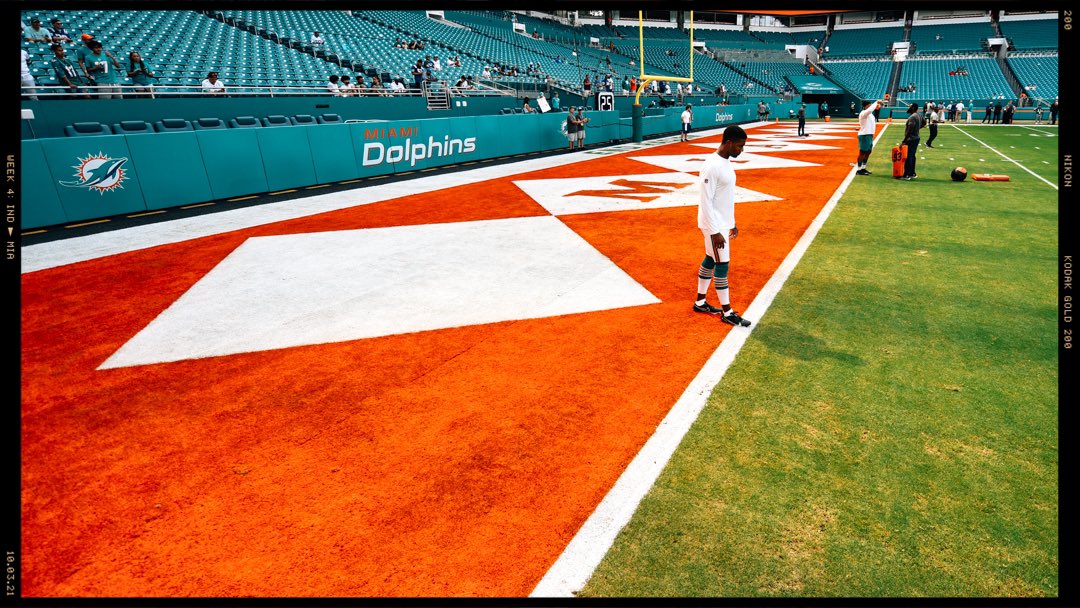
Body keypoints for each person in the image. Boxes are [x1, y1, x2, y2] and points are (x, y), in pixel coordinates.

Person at [694, 125, 752, 327]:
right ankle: (727, 312)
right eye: (739, 146)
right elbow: (706, 200)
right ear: (728, 143)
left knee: (711, 259)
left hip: (720, 223)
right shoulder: (712, 165)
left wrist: (731, 223)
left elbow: (724, 198)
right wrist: (715, 231)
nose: (741, 150)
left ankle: (700, 301)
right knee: (722, 264)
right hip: (713, 225)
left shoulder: (725, 162)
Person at [855, 99, 882, 175]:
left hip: (869, 135)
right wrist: (876, 102)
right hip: (864, 135)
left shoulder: (870, 114)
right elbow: (870, 110)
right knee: (862, 152)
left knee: (868, 152)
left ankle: (863, 168)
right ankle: (859, 169)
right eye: (870, 105)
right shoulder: (863, 113)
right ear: (866, 106)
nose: (872, 107)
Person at [899, 103, 922, 180]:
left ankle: (906, 175)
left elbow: (909, 130)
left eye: (910, 106)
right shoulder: (918, 115)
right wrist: (917, 129)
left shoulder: (912, 117)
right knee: (912, 156)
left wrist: (904, 141)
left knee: (908, 157)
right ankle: (912, 173)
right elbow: (924, 122)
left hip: (911, 139)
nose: (908, 107)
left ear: (913, 108)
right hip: (916, 137)